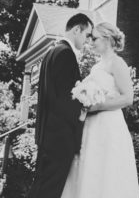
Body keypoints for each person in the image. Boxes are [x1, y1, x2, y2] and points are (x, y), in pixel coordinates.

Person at [61, 22, 139, 198]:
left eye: (95, 38)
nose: (91, 42)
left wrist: (96, 106)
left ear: (107, 38)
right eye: (90, 38)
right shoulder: (96, 67)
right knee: (90, 171)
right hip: (91, 127)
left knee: (107, 172)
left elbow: (128, 98)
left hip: (109, 126)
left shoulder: (117, 63)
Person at [28, 13, 93, 198]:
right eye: (87, 35)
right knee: (49, 191)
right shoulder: (65, 53)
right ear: (76, 30)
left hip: (47, 134)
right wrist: (82, 112)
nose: (87, 41)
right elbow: (64, 99)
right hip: (59, 137)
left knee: (42, 188)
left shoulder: (52, 52)